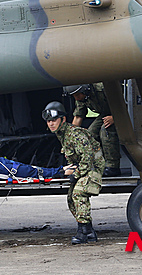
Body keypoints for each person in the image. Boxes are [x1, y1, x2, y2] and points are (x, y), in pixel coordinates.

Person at [42, 101, 105, 244]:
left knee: (78, 193)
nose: (51, 123)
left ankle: (82, 232)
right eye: (48, 121)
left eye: (54, 120)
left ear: (63, 119)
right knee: (71, 198)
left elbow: (88, 157)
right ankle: (89, 231)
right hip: (84, 167)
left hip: (93, 168)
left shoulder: (74, 134)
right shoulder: (61, 134)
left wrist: (75, 175)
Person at [64, 83, 122, 177]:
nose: (76, 98)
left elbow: (123, 102)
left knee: (105, 130)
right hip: (105, 114)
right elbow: (78, 116)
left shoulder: (102, 89)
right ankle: (94, 165)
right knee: (89, 135)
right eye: (74, 96)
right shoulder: (81, 96)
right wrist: (71, 137)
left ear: (85, 90)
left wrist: (114, 117)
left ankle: (113, 167)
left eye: (77, 95)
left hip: (121, 113)